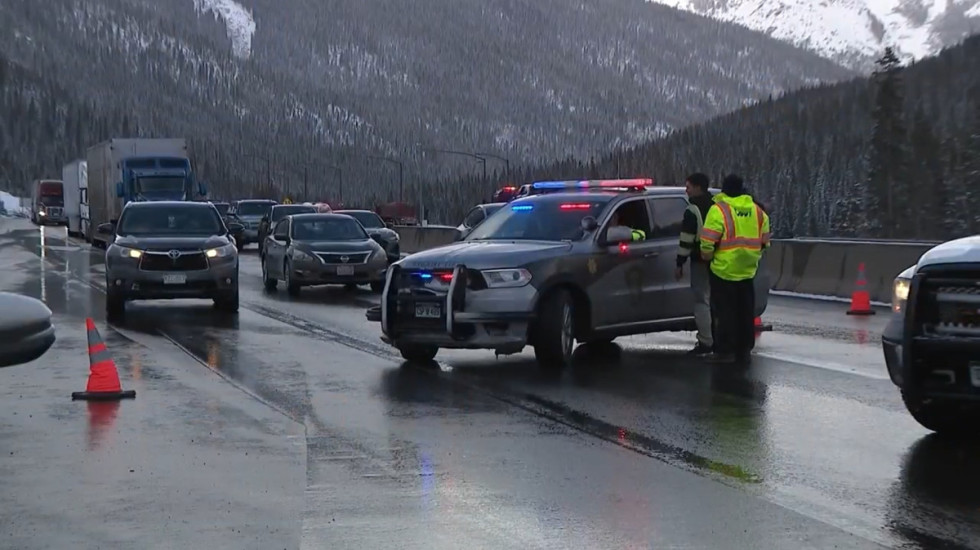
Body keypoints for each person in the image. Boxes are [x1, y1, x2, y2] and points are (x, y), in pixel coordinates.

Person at [699, 174, 770, 364]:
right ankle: (744, 347)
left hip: (723, 269)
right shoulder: (757, 211)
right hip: (747, 269)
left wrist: (707, 257)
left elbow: (707, 241)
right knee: (745, 310)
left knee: (723, 311)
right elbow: (765, 240)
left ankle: (725, 349)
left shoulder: (719, 210)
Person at [674, 173, 716, 356]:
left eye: (688, 186)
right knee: (716, 301)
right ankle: (721, 338)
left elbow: (686, 240)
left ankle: (706, 341)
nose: (686, 190)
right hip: (720, 259)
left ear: (698, 187)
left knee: (701, 300)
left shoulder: (693, 210)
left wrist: (680, 262)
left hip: (700, 259)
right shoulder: (717, 206)